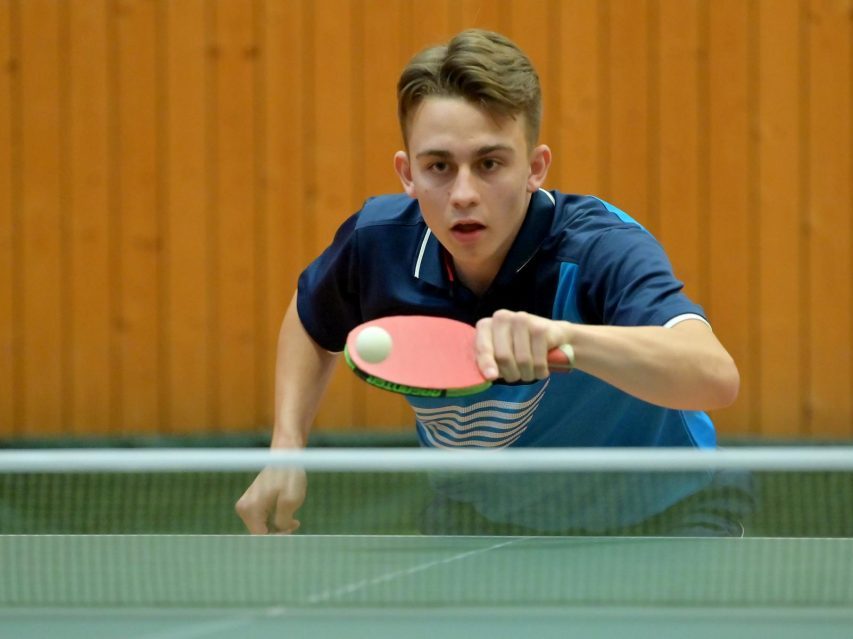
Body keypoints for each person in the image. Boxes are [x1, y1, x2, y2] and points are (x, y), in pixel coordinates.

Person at [236, 29, 751, 537]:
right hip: (480, 516)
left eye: (489, 164)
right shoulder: (379, 245)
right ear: (407, 173)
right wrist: (286, 449)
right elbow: (310, 320)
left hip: (664, 513)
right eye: (439, 166)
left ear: (535, 167)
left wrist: (566, 339)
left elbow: (714, 376)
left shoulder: (597, 248)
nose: (463, 193)